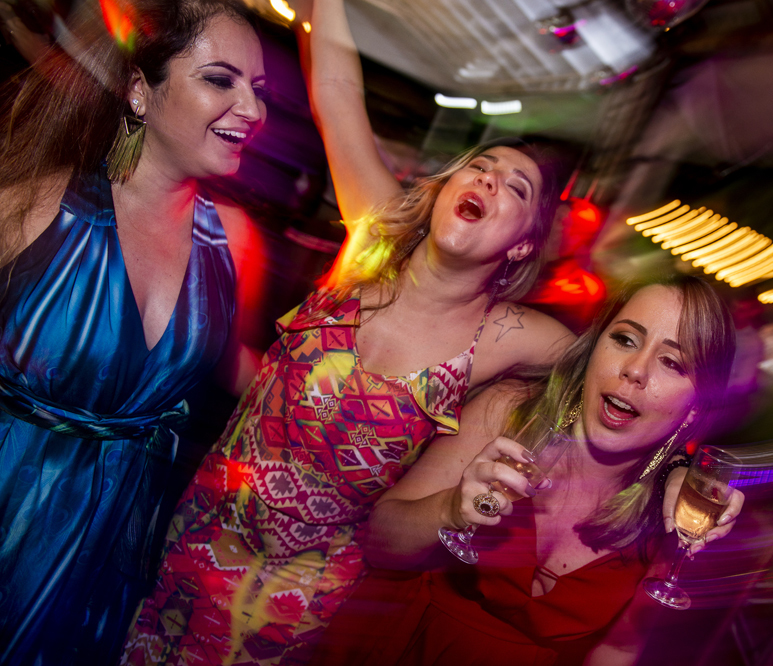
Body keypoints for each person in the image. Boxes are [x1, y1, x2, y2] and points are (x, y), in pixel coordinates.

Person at [119, 0, 576, 663]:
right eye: (481, 166)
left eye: (517, 187)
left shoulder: (506, 336)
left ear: (520, 245)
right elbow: (335, 91)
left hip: (294, 611)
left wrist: (676, 469)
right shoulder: (372, 245)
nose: (488, 178)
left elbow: (614, 379)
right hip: (187, 544)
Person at [0, 1, 267, 664]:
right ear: (142, 92)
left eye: (257, 90)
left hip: (113, 537)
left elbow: (248, 377)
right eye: (221, 80)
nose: (253, 110)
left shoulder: (234, 242)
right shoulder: (33, 206)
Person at [311, 276, 744, 665]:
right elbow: (379, 542)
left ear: (694, 409)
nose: (635, 369)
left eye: (672, 363)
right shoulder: (513, 412)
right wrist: (450, 509)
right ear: (595, 348)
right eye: (626, 339)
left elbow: (617, 649)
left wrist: (685, 472)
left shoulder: (672, 513)